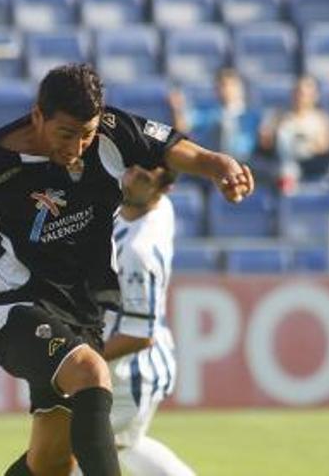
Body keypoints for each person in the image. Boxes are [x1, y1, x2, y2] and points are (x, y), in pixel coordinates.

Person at [0, 63, 254, 476]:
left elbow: (169, 148)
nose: (77, 146)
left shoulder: (109, 131)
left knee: (53, 461)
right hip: (16, 311)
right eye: (66, 134)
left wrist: (217, 164)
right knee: (91, 372)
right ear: (38, 115)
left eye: (86, 135)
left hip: (82, 316)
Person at [101, 165, 194, 475]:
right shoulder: (158, 209)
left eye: (143, 178)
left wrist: (81, 360)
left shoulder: (139, 253)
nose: (129, 180)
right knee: (128, 444)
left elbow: (141, 334)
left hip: (132, 372)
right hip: (129, 367)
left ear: (163, 189)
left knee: (81, 452)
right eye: (130, 170)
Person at [168, 68, 262, 164]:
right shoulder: (209, 113)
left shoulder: (253, 115)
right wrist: (178, 108)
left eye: (231, 85)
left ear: (241, 88)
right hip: (215, 162)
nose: (227, 90)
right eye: (222, 86)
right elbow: (182, 127)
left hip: (246, 161)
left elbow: (265, 139)